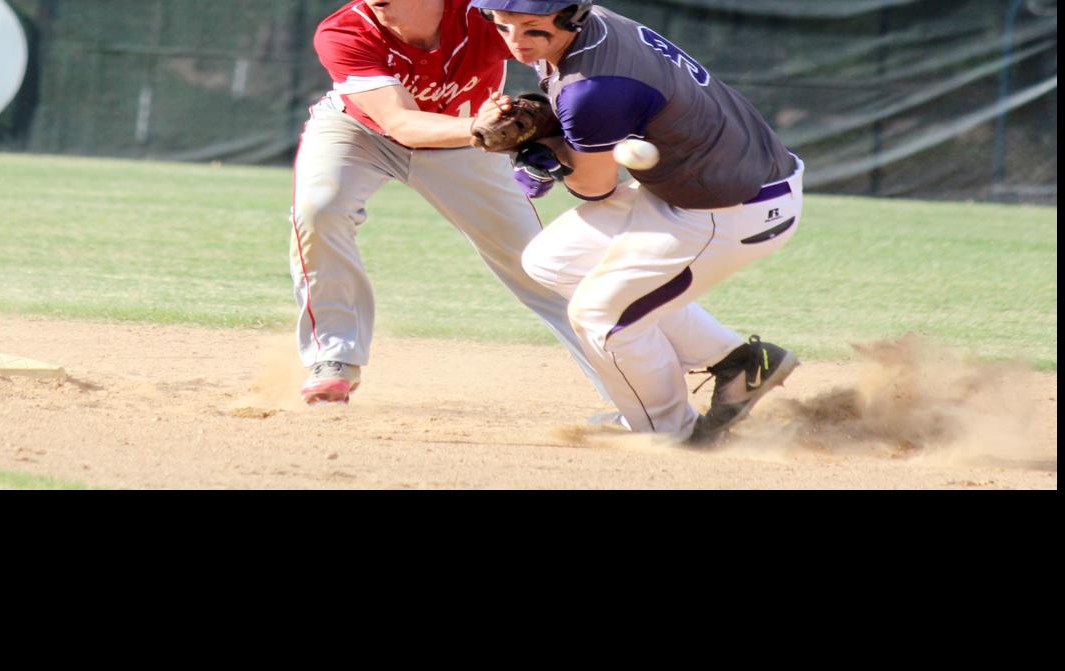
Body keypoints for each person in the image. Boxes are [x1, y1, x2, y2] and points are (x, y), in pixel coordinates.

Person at [467, 0, 803, 444]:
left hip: (733, 210)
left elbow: (595, 187)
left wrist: (543, 154)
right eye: (503, 25)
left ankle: (669, 433)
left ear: (572, 14)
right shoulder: (596, 27)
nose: (516, 42)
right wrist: (553, 137)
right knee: (552, 261)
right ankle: (737, 361)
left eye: (531, 27)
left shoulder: (591, 90)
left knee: (599, 316)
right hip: (700, 184)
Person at [290, 0, 612, 407]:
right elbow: (400, 123)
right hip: (361, 133)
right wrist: (476, 127)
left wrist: (556, 130)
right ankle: (334, 355)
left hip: (465, 144)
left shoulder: (482, 14)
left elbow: (566, 46)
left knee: (537, 265)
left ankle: (637, 393)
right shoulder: (346, 31)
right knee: (319, 210)